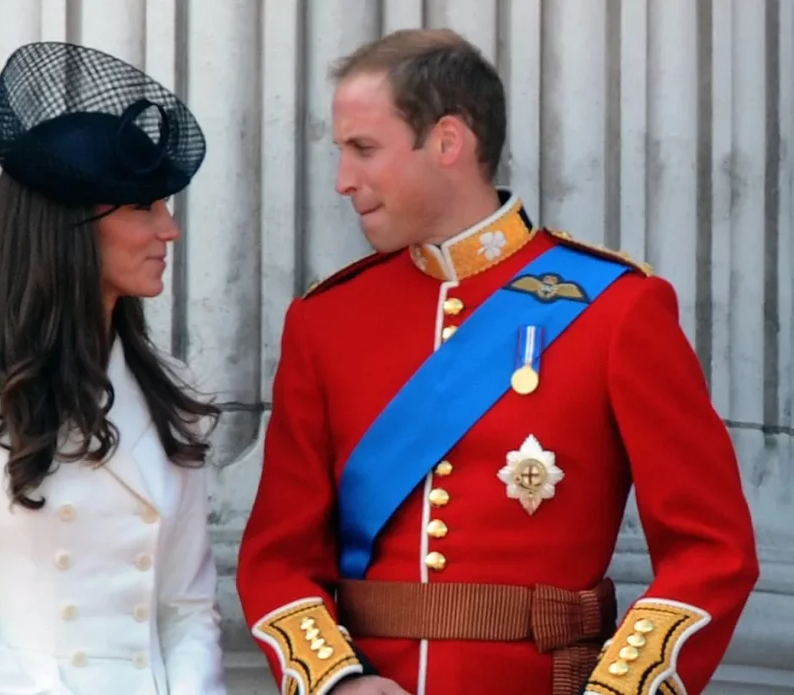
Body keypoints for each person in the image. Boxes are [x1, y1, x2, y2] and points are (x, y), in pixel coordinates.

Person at [236, 28, 759, 695]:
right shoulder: (324, 321)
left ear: (449, 142)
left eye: (364, 149)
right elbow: (277, 558)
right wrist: (337, 683)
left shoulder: (617, 309)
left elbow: (711, 549)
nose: (342, 180)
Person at [0, 41, 226, 695]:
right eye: (144, 207)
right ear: (70, 225)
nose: (170, 230)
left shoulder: (173, 393)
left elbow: (187, 612)